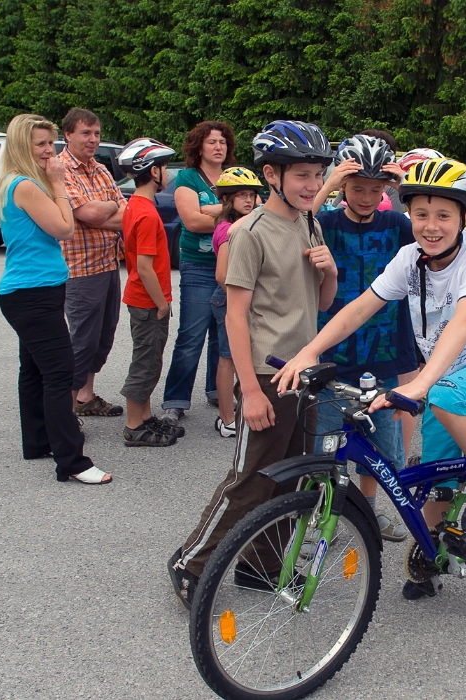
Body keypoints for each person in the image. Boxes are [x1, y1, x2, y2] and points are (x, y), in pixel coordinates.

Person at [275, 157, 466, 600]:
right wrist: (309, 352)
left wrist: (419, 384)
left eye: (444, 215)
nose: (431, 226)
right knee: (435, 482)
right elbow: (359, 307)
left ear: (465, 217)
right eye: (421, 214)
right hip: (442, 380)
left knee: (445, 397)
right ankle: (433, 557)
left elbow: (463, 324)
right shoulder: (410, 257)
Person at [168, 120, 338, 609]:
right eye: (302, 175)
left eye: (317, 175)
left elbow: (322, 303)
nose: (312, 185)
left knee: (293, 479)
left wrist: (329, 271)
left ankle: (259, 566)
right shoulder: (251, 233)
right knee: (251, 480)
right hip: (266, 374)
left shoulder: (310, 223)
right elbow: (235, 317)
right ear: (271, 174)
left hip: (305, 373)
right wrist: (251, 391)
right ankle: (191, 563)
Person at [311, 134, 418, 542]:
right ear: (343, 187)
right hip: (332, 350)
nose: (367, 197)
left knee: (376, 443)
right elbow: (295, 223)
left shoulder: (396, 224)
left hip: (384, 349)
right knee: (326, 442)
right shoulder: (327, 224)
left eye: (376, 189)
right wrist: (327, 185)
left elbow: (436, 234)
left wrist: (405, 187)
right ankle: (324, 515)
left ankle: (369, 512)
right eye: (357, 188)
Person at [0, 113, 111, 485]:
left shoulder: (17, 182)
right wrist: (59, 184)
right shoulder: (27, 185)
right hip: (31, 293)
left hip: (33, 290)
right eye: (42, 144)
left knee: (33, 370)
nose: (50, 150)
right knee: (60, 373)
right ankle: (72, 461)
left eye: (50, 142)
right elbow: (64, 228)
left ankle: (38, 441)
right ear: (22, 147)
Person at [160, 121, 237, 426]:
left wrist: (210, 211)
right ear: (198, 146)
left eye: (222, 142)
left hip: (231, 267)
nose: (218, 147)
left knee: (224, 336)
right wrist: (228, 213)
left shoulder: (234, 176)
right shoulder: (187, 178)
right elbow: (191, 222)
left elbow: (251, 211)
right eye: (211, 142)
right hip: (198, 267)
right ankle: (175, 401)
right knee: (192, 335)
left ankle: (216, 391)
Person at [58, 108, 127, 419]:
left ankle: (86, 397)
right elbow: (89, 214)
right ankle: (66, 411)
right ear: (68, 134)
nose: (93, 139)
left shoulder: (100, 169)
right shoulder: (61, 170)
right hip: (81, 270)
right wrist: (107, 209)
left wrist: (103, 211)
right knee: (82, 341)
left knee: (103, 337)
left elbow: (126, 214)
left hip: (109, 265)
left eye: (97, 133)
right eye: (86, 133)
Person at [117, 138, 185, 447]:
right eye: (165, 167)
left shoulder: (137, 204)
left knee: (151, 359)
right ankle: (134, 425)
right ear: (153, 171)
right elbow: (145, 267)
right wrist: (161, 304)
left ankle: (144, 416)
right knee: (145, 363)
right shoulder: (145, 213)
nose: (167, 172)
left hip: (142, 299)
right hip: (147, 301)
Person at [211, 167, 265, 438]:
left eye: (252, 195)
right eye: (241, 195)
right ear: (226, 199)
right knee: (228, 359)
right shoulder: (229, 229)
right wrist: (242, 297)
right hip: (228, 298)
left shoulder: (248, 224)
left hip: (238, 297)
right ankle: (226, 418)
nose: (248, 200)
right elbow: (222, 275)